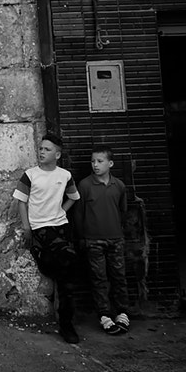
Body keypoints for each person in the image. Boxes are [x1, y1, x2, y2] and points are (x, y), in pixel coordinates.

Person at [13, 133, 81, 343]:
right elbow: (21, 201)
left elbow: (74, 197)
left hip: (61, 227)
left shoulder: (65, 175)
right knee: (57, 266)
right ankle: (62, 318)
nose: (42, 152)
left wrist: (61, 211)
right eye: (41, 148)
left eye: (47, 149)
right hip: (40, 229)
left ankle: (66, 325)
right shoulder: (30, 175)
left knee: (66, 275)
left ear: (57, 154)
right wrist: (26, 227)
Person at [75, 144, 131, 335]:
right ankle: (104, 315)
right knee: (99, 278)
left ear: (111, 163)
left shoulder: (119, 186)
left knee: (119, 276)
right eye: (93, 161)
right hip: (93, 240)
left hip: (116, 238)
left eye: (100, 161)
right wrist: (82, 238)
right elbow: (79, 214)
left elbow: (123, 211)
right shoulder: (84, 185)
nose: (95, 165)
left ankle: (122, 312)